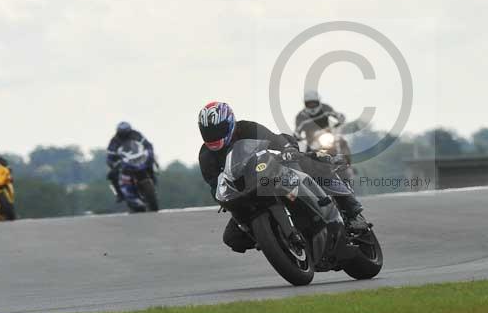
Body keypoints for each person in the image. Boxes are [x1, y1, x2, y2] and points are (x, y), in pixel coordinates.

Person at [197, 101, 367, 253]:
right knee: (232, 239)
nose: (214, 136)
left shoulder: (247, 128)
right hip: (244, 193)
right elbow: (215, 185)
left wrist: (287, 149)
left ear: (230, 122)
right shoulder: (206, 156)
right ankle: (275, 239)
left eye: (218, 130)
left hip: (269, 171)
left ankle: (353, 213)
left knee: (314, 164)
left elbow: (273, 139)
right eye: (209, 132)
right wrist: (223, 197)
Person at [106, 122, 155, 200]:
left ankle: (152, 178)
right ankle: (119, 194)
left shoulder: (136, 134)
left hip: (138, 157)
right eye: (122, 133)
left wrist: (149, 152)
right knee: (111, 175)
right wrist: (112, 163)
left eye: (126, 132)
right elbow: (110, 154)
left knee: (150, 162)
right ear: (119, 132)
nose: (125, 135)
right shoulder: (114, 140)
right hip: (124, 161)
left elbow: (147, 144)